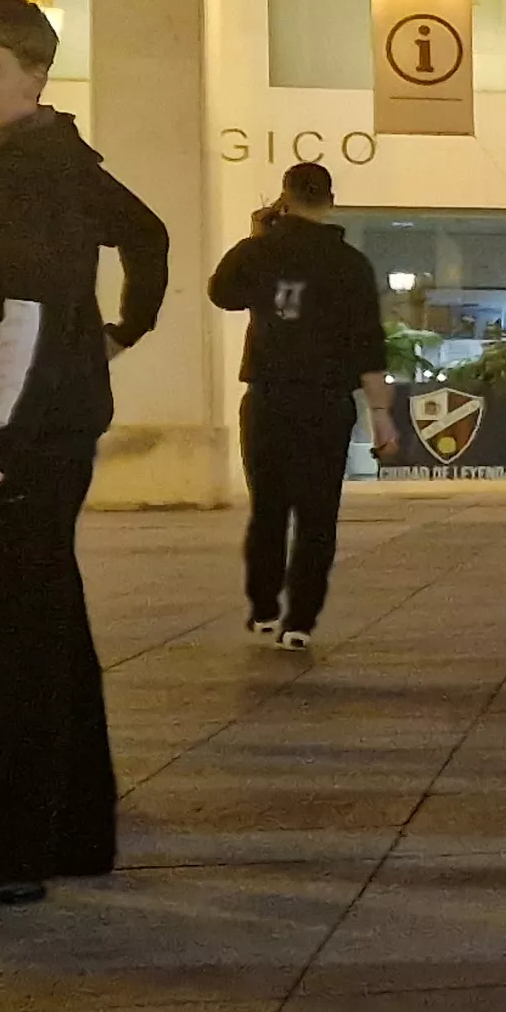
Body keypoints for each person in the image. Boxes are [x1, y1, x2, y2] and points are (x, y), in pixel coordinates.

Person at [0, 0, 169, 922]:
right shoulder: (30, 164)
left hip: (20, 445)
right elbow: (141, 238)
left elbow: (29, 315)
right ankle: (71, 827)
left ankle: (7, 848)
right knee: (46, 637)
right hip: (29, 436)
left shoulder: (32, 176)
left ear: (36, 77)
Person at [205, 162, 399, 649]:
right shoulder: (350, 265)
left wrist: (257, 236)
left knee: (268, 508)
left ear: (285, 197)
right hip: (326, 403)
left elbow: (222, 293)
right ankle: (300, 621)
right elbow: (368, 344)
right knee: (317, 514)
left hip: (268, 397)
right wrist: (380, 415)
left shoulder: (259, 251)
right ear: (330, 200)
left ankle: (264, 606)